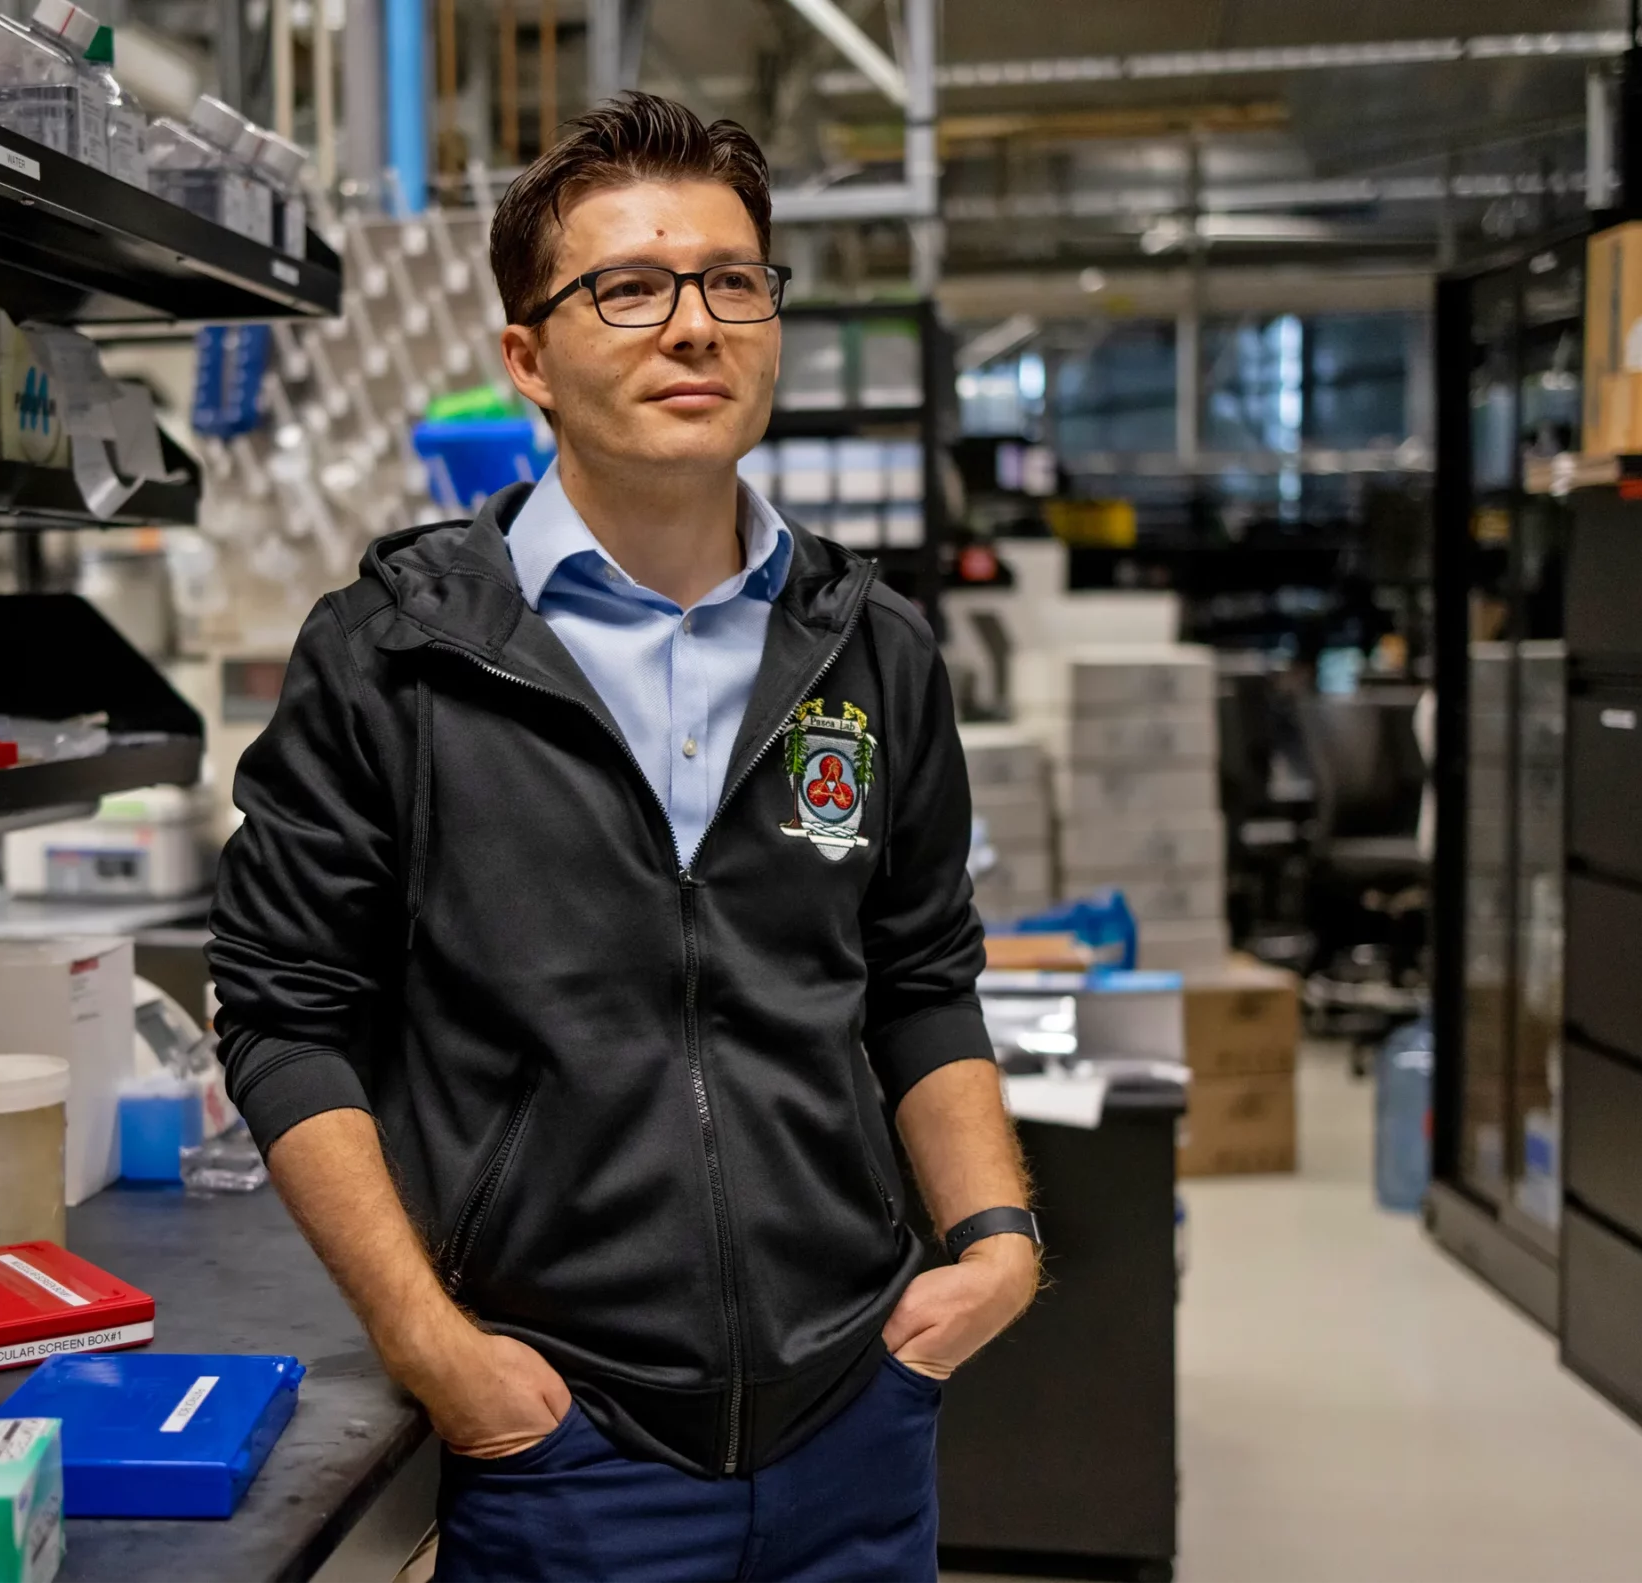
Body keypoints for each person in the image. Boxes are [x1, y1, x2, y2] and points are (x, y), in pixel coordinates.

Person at [209, 91, 1040, 1582]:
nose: (694, 326)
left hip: (858, 1414)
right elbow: (284, 1016)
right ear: (527, 356)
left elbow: (923, 975)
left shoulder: (873, 646)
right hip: (563, 1436)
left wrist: (997, 1241)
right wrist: (430, 1343)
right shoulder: (396, 655)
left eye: (733, 281)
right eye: (630, 288)